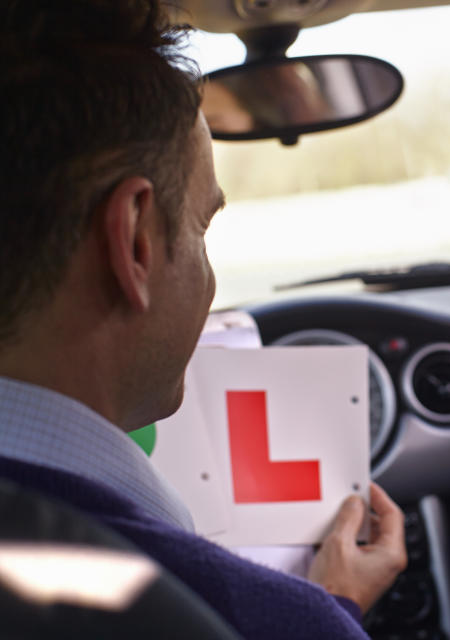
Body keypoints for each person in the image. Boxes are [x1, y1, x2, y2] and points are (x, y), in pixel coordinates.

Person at [0, 1, 405, 638]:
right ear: (133, 243)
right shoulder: (244, 616)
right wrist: (323, 613)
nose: (209, 280)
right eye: (200, 228)